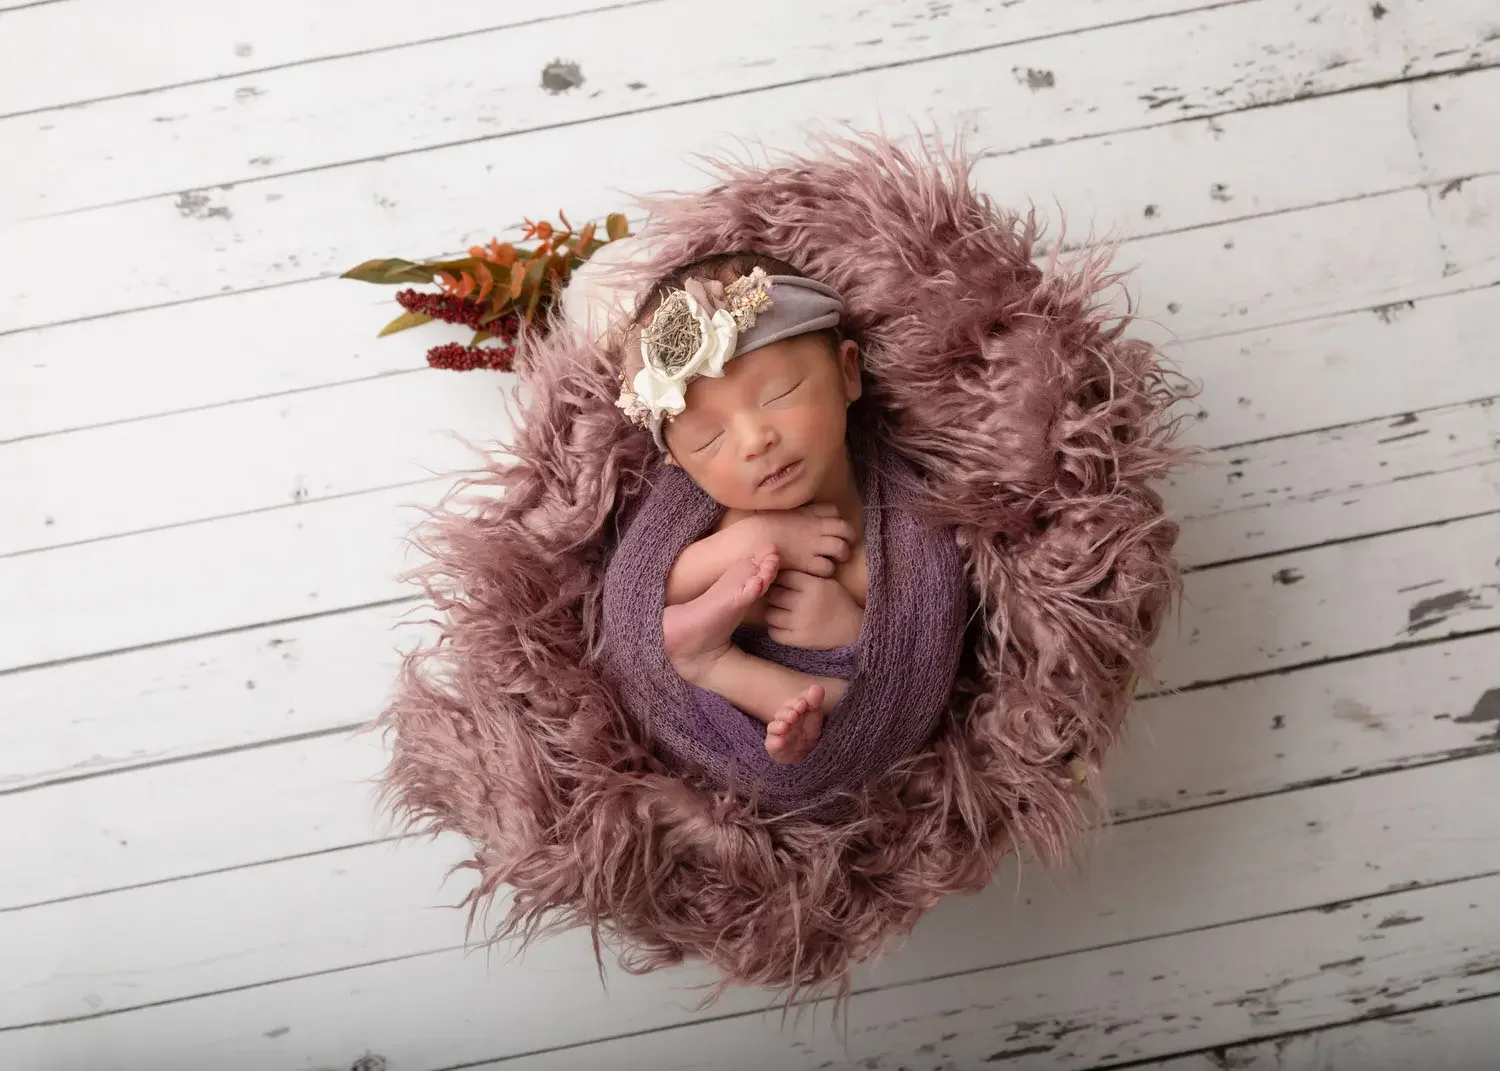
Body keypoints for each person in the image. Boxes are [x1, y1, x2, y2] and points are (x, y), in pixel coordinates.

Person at [614, 253, 870, 764]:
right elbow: (631, 597)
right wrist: (746, 543)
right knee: (654, 639)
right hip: (700, 723)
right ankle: (709, 664)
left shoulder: (892, 535)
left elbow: (917, 659)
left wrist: (852, 633)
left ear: (847, 372)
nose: (754, 441)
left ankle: (714, 667)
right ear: (681, 465)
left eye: (780, 395)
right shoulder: (704, 524)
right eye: (710, 440)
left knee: (854, 707)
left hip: (827, 718)